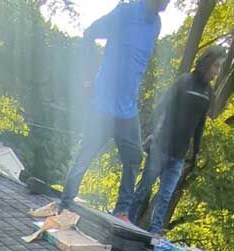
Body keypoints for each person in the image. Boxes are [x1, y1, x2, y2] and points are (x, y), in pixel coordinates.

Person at [57, 0, 169, 219]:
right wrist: (87, 76)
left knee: (134, 158)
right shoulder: (126, 12)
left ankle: (122, 211)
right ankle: (65, 204)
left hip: (128, 110)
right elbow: (90, 33)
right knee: (85, 154)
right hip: (103, 106)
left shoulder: (156, 24)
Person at [128, 45, 226, 235]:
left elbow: (200, 124)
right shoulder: (184, 82)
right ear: (207, 63)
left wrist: (196, 152)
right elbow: (161, 107)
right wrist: (152, 132)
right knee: (144, 188)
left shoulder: (208, 93)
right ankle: (127, 222)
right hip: (161, 148)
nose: (217, 72)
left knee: (165, 196)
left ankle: (155, 234)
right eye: (216, 66)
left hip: (179, 155)